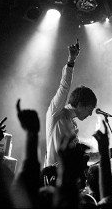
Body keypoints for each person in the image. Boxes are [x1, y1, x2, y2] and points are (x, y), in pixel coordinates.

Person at [43, 39, 97, 173]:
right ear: (79, 105)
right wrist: (71, 61)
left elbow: (78, 157)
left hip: (66, 183)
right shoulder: (57, 113)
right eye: (89, 110)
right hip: (50, 180)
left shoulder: (73, 126)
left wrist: (110, 152)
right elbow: (64, 87)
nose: (90, 114)